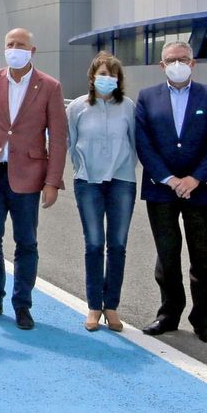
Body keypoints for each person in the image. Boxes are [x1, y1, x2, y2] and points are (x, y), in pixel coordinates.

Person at [0, 28, 69, 330]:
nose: (15, 48)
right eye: (10, 44)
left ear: (32, 52)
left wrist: (52, 181)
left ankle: (22, 304)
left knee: (27, 243)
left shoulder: (49, 86)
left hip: (29, 176)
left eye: (21, 45)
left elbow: (58, 138)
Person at [132, 41, 207, 343]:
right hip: (161, 190)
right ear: (162, 66)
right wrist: (170, 179)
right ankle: (168, 315)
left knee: (206, 258)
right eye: (171, 60)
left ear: (193, 63)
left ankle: (204, 320)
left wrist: (196, 178)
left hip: (201, 190)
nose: (177, 64)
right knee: (167, 256)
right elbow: (144, 144)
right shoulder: (147, 98)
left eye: (182, 59)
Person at [67, 52, 137, 333]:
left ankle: (112, 306)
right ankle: (94, 306)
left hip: (122, 180)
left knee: (117, 245)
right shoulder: (76, 107)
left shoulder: (129, 107)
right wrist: (85, 166)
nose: (106, 78)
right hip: (88, 181)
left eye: (111, 74)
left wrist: (122, 166)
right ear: (92, 77)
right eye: (101, 73)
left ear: (118, 79)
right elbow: (71, 143)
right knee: (94, 244)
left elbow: (135, 143)